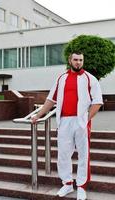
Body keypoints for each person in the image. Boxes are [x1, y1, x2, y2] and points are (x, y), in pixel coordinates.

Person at [31, 51, 103, 200]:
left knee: (83, 154)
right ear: (70, 60)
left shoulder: (90, 79)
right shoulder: (61, 78)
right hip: (64, 121)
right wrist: (38, 116)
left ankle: (81, 186)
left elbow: (97, 101)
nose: (78, 62)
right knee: (63, 154)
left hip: (81, 121)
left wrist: (86, 119)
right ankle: (68, 183)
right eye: (75, 59)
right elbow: (50, 100)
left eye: (81, 60)